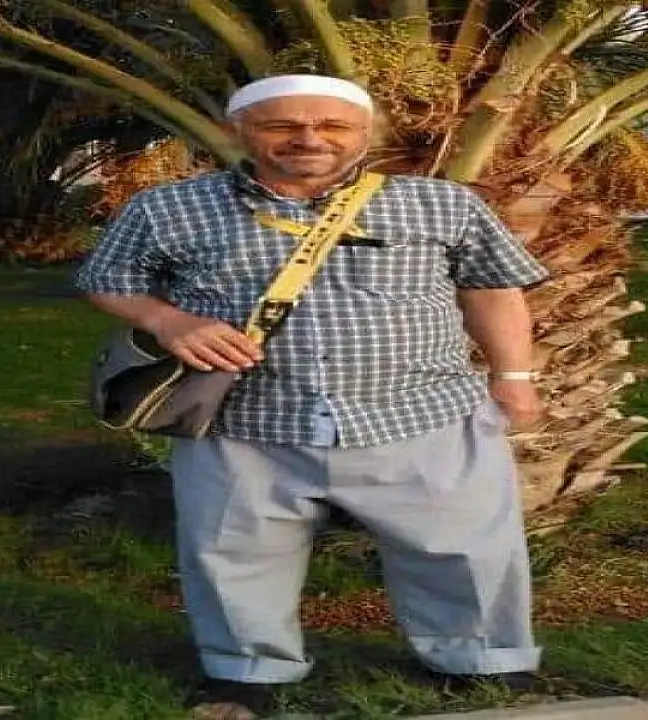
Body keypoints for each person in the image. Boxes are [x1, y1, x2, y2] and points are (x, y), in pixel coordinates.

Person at [75, 74, 551, 719]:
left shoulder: (440, 204)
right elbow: (108, 278)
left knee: (463, 550)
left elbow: (492, 288)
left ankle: (483, 661)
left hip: (423, 413)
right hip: (244, 421)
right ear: (238, 130)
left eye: (333, 126)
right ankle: (246, 673)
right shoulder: (167, 208)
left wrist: (514, 378)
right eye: (282, 125)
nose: (310, 139)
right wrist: (169, 321)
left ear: (365, 134)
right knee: (235, 553)